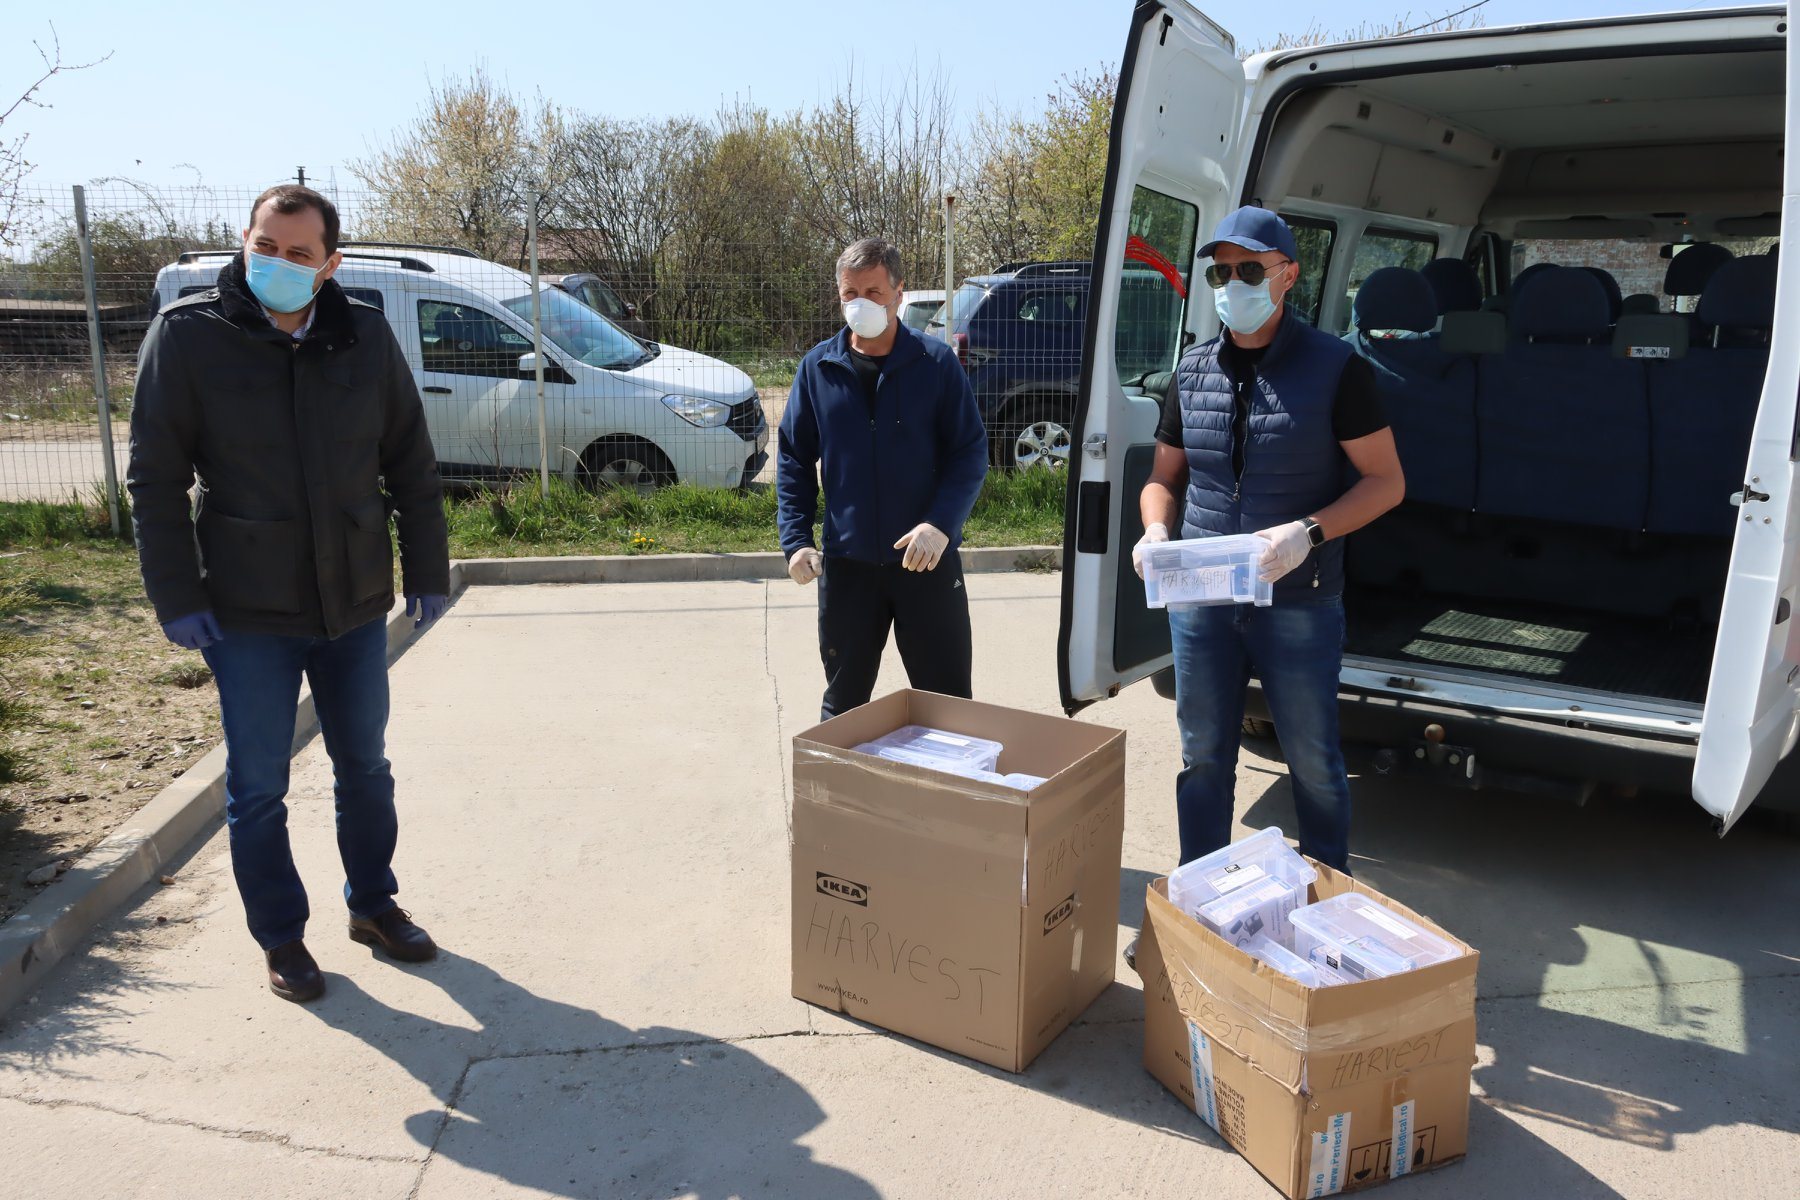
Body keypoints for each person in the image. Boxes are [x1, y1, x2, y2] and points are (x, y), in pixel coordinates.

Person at [128, 184, 450, 1003]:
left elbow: (410, 463)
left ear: (329, 265)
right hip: (245, 610)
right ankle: (281, 936)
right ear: (245, 241)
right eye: (265, 246)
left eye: (298, 254)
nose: (277, 262)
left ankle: (374, 905)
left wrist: (427, 572)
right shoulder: (189, 336)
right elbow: (155, 480)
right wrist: (176, 594)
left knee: (365, 767)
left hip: (352, 603)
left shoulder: (364, 335)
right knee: (259, 785)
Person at [1135, 207, 1405, 873]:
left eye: (1250, 270)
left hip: (1299, 598)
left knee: (1312, 760)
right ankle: (1199, 899)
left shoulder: (1336, 368)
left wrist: (1308, 532)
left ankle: (1328, 898)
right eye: (1221, 272)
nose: (1233, 283)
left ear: (1288, 275)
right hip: (1203, 597)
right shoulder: (1192, 370)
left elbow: (1386, 482)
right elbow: (1163, 478)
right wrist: (1155, 529)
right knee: (1203, 757)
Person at [777, 237, 988, 719]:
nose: (861, 304)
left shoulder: (936, 364)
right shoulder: (818, 368)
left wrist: (941, 524)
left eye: (873, 292)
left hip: (925, 563)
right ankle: (843, 775)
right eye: (850, 294)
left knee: (948, 706)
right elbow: (793, 459)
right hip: (847, 568)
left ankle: (948, 775)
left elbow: (970, 453)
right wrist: (796, 541)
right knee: (844, 708)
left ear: (898, 292)